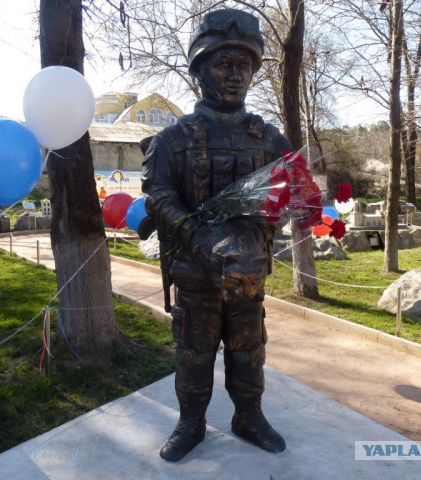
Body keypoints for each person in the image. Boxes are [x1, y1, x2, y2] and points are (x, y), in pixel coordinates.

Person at [141, 9, 290, 462]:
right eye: (223, 65)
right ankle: (191, 423)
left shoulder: (268, 139)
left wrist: (272, 219)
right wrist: (196, 234)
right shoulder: (171, 140)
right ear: (200, 71)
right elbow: (158, 194)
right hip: (195, 275)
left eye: (243, 66)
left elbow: (286, 195)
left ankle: (249, 416)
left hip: (248, 277)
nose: (235, 76)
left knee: (249, 352)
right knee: (194, 354)